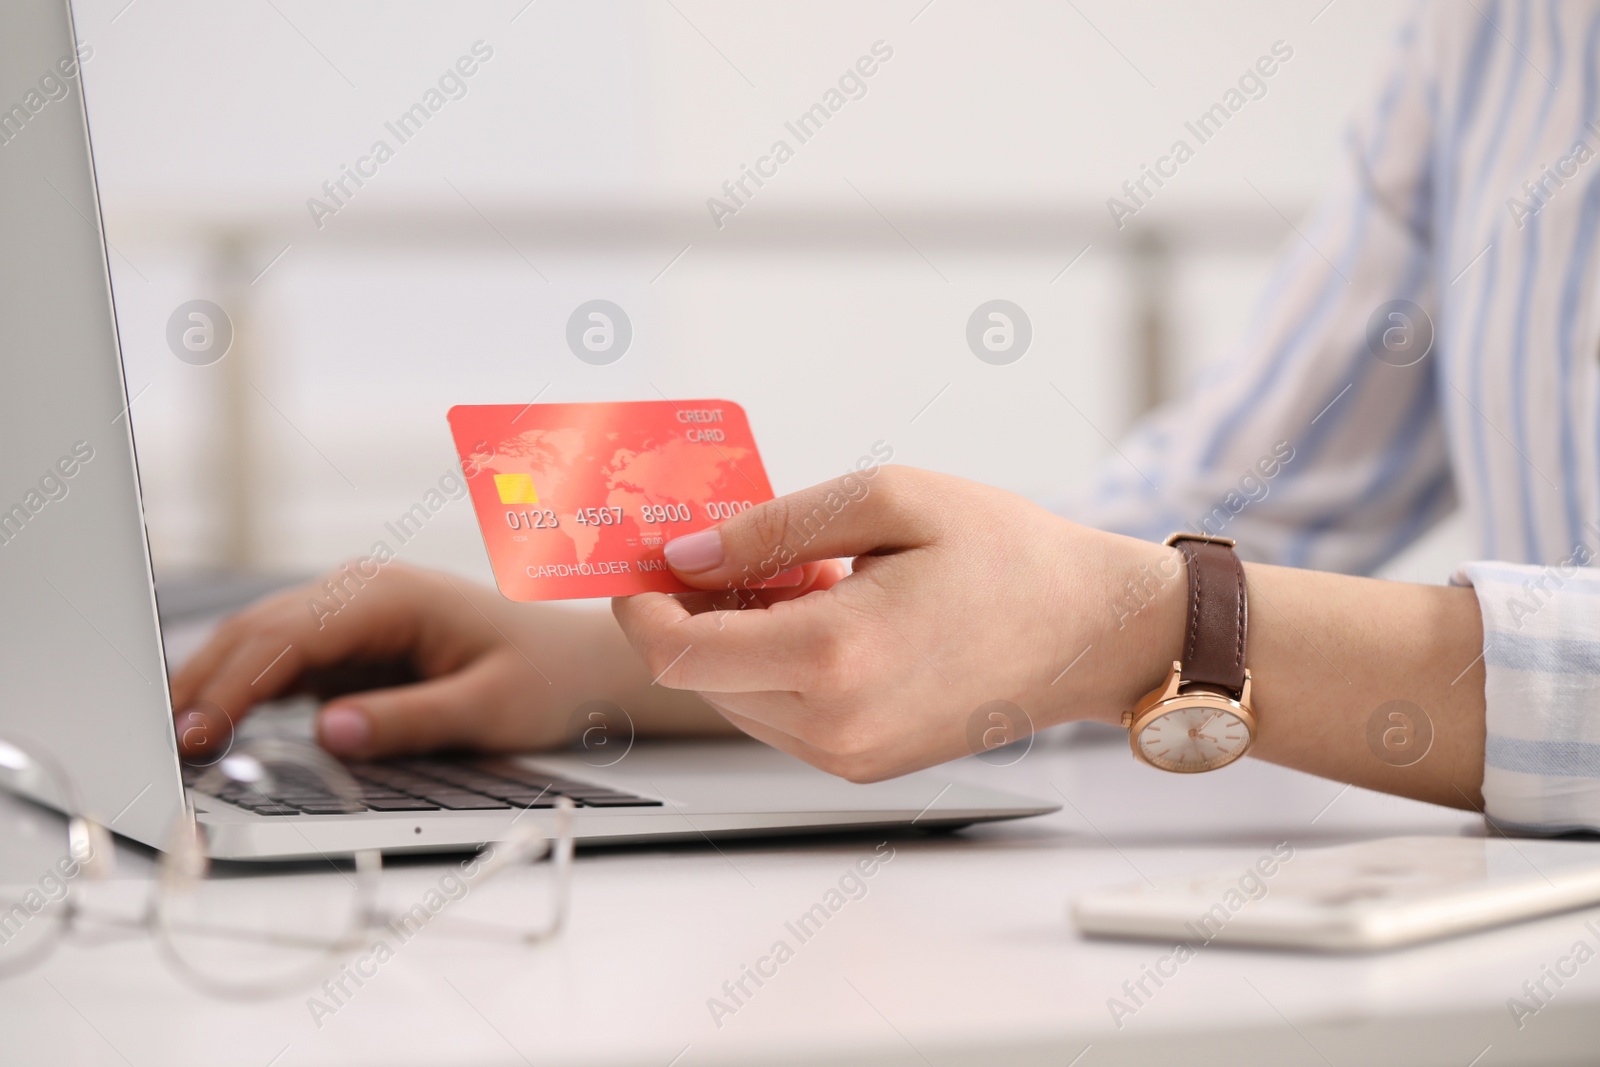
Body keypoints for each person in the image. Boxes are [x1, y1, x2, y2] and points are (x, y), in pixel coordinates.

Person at [173, 4, 1600, 834]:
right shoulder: (1491, 32)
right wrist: (610, 665)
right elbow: (1232, 513)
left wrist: (1143, 631)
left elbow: (1156, 599)